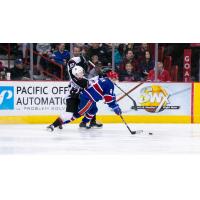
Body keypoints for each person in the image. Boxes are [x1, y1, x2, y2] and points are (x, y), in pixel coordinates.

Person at [47, 70, 122, 132]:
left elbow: (103, 93)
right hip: (88, 100)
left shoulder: (104, 80)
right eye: (116, 77)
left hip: (88, 97)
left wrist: (112, 97)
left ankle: (84, 123)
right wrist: (115, 107)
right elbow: (108, 99)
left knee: (94, 110)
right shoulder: (110, 84)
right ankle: (58, 123)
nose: (117, 79)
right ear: (113, 78)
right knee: (78, 114)